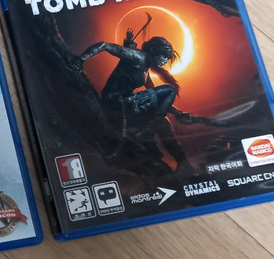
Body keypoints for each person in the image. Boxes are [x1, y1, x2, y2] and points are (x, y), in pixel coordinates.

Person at [75, 30, 193, 171]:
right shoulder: (137, 56)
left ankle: (182, 162)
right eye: (164, 57)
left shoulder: (145, 67)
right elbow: (104, 45)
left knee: (163, 123)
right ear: (154, 51)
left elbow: (156, 99)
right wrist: (80, 60)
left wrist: (177, 112)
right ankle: (147, 132)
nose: (165, 61)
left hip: (128, 104)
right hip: (116, 102)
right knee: (169, 90)